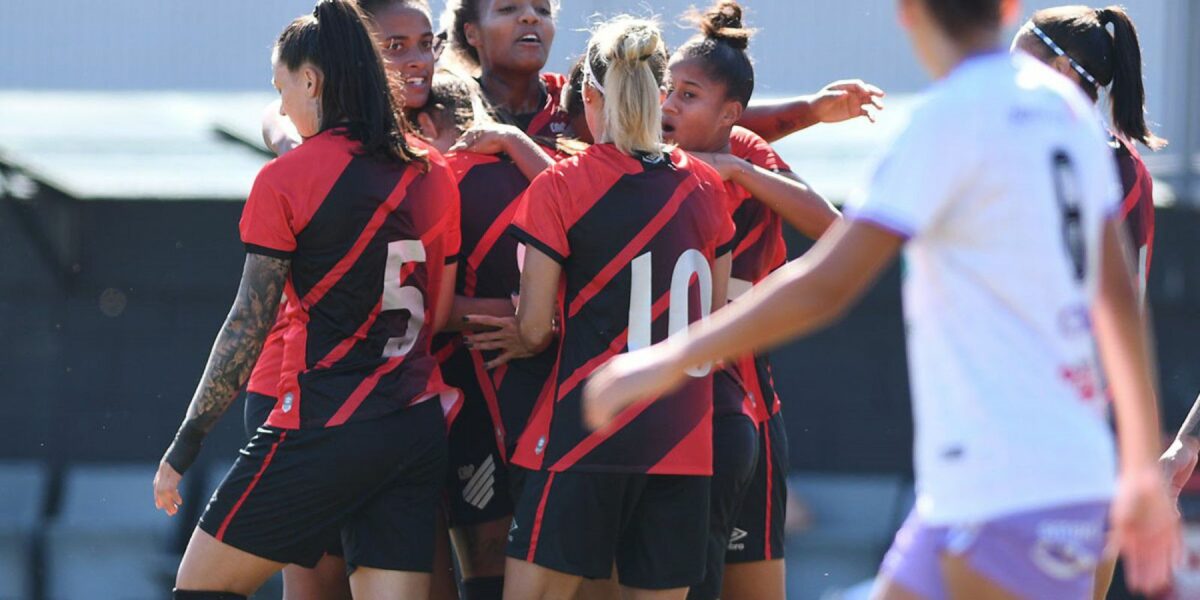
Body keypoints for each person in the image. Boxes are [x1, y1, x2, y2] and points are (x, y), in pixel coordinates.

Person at [583, 0, 1181, 598]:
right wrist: (1140, 465)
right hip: (1010, 479)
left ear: (908, 14)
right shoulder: (1065, 114)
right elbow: (1120, 305)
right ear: (1004, 9)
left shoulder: (949, 119)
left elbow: (825, 284)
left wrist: (661, 361)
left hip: (1010, 484)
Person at [151, 2, 461, 598]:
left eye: (282, 87)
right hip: (414, 425)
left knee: (199, 588)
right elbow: (439, 311)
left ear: (312, 80)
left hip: (324, 421)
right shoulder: (435, 172)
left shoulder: (287, 177)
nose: (283, 104)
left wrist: (185, 443)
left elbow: (247, 326)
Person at [502, 15, 736, 600]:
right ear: (661, 96)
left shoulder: (562, 185)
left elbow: (533, 331)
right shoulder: (706, 186)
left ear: (589, 96)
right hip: (684, 438)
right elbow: (715, 316)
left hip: (591, 432)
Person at [1011, 6, 1198, 597]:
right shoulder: (1083, 158)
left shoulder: (1097, 167)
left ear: (1063, 71)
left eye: (1016, 61)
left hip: (1070, 420)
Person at [658, 3, 840, 598]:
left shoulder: (745, 152)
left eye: (688, 95)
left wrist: (736, 167)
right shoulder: (645, 155)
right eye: (666, 89)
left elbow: (835, 230)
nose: (668, 105)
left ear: (731, 115)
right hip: (663, 399)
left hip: (744, 401)